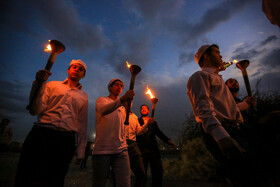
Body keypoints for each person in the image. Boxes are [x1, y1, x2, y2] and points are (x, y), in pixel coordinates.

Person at [187, 44, 264, 186]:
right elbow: (203, 109)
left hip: (236, 130)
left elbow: (230, 109)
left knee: (254, 173)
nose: (221, 56)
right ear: (207, 56)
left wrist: (247, 103)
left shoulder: (218, 79)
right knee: (246, 177)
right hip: (224, 132)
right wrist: (222, 137)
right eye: (217, 53)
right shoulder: (200, 76)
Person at [15, 59, 88, 187]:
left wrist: (81, 150)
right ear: (68, 70)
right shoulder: (52, 85)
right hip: (41, 135)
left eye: (80, 69)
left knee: (55, 178)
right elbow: (35, 110)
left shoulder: (83, 96)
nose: (77, 70)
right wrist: (38, 83)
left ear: (83, 75)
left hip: (65, 140)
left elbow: (82, 123)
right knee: (28, 176)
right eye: (74, 67)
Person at [92, 78, 134, 187]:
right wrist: (122, 100)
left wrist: (126, 106)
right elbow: (104, 110)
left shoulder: (122, 107)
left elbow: (124, 126)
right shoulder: (102, 100)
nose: (119, 87)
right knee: (99, 183)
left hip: (121, 149)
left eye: (121, 86)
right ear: (109, 87)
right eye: (116, 85)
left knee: (125, 183)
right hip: (103, 149)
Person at [137, 104, 176, 187]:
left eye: (145, 109)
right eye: (142, 109)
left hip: (153, 151)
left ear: (148, 111)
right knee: (142, 174)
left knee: (157, 172)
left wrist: (168, 141)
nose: (143, 110)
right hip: (142, 151)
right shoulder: (137, 121)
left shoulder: (153, 122)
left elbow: (159, 133)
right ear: (140, 111)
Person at [125, 102, 151, 187]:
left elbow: (139, 131)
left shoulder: (134, 117)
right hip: (121, 144)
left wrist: (147, 123)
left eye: (131, 101)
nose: (129, 102)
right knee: (121, 174)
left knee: (142, 173)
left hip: (133, 145)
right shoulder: (119, 114)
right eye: (128, 100)